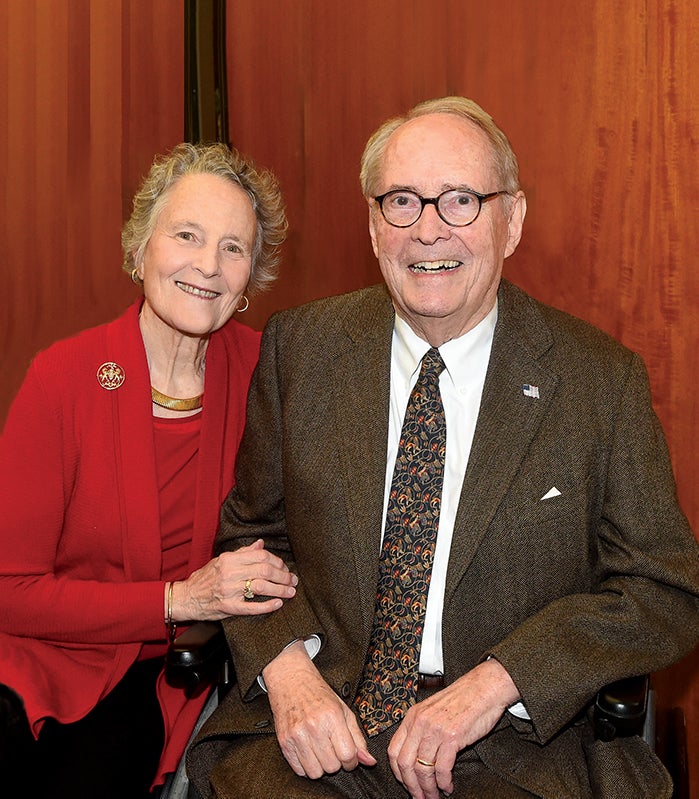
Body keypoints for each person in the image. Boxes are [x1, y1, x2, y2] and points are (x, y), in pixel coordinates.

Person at [187, 98, 699, 799]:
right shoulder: (300, 351)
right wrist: (288, 673)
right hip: (320, 727)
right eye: (401, 201)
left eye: (460, 200)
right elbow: (253, 538)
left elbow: (661, 588)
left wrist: (499, 680)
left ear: (510, 220)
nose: (428, 231)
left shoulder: (597, 381)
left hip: (513, 749)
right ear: (373, 225)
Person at [0, 141, 298, 798]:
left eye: (232, 247)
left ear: (251, 277)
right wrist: (177, 599)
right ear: (140, 250)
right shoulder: (63, 377)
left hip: (154, 677)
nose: (207, 266)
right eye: (187, 235)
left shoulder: (267, 376)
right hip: (34, 656)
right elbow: (9, 588)